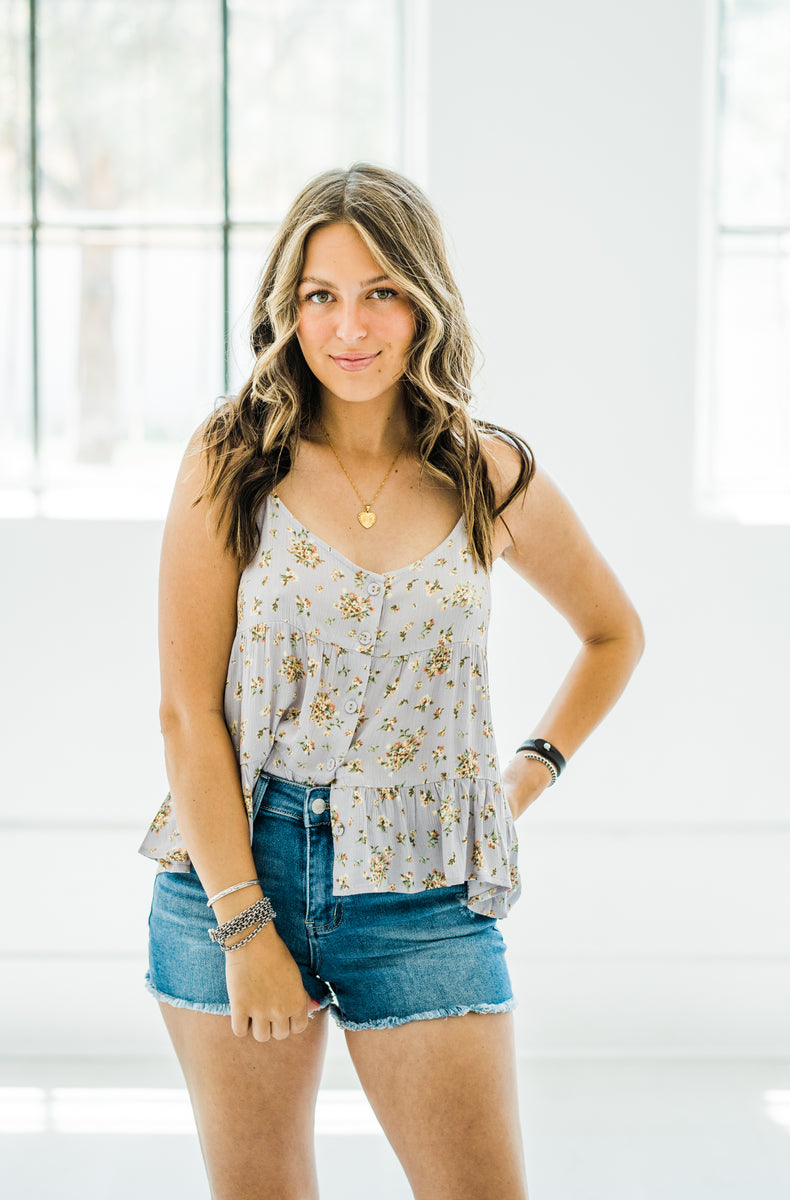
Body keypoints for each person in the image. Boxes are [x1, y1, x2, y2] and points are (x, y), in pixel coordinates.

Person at [139, 162, 645, 1200]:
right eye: (320, 295)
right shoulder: (231, 458)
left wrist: (520, 779)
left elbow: (611, 634)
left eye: (380, 292)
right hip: (236, 868)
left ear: (424, 302)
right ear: (287, 311)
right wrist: (242, 926)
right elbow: (187, 711)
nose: (349, 326)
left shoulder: (483, 471)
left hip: (423, 888)